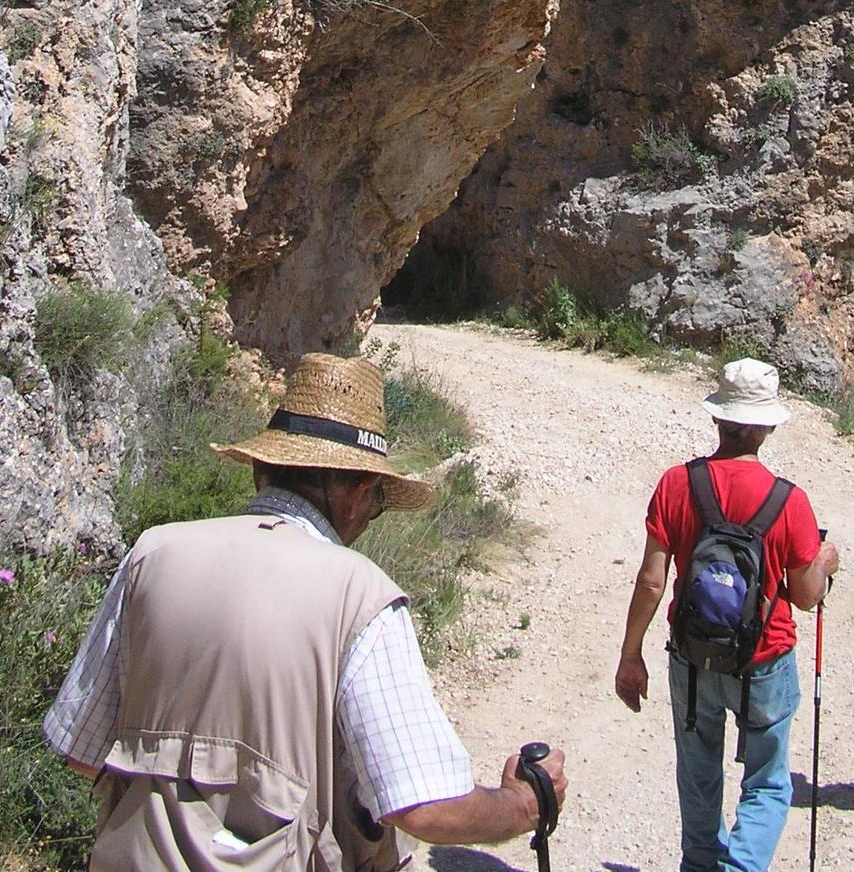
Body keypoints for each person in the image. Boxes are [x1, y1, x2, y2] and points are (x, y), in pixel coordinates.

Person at [46, 351, 566, 871]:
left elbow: (80, 749)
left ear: (260, 471)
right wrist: (524, 804)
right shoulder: (359, 595)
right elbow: (425, 808)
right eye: (378, 502)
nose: (369, 520)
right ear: (359, 491)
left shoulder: (152, 554)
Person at [614, 357, 839, 872]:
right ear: (766, 427)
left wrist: (631, 657)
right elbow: (806, 596)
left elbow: (652, 580)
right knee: (766, 781)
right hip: (764, 660)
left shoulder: (677, 483)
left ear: (717, 418)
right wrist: (824, 563)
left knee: (698, 779)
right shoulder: (790, 501)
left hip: (692, 658)